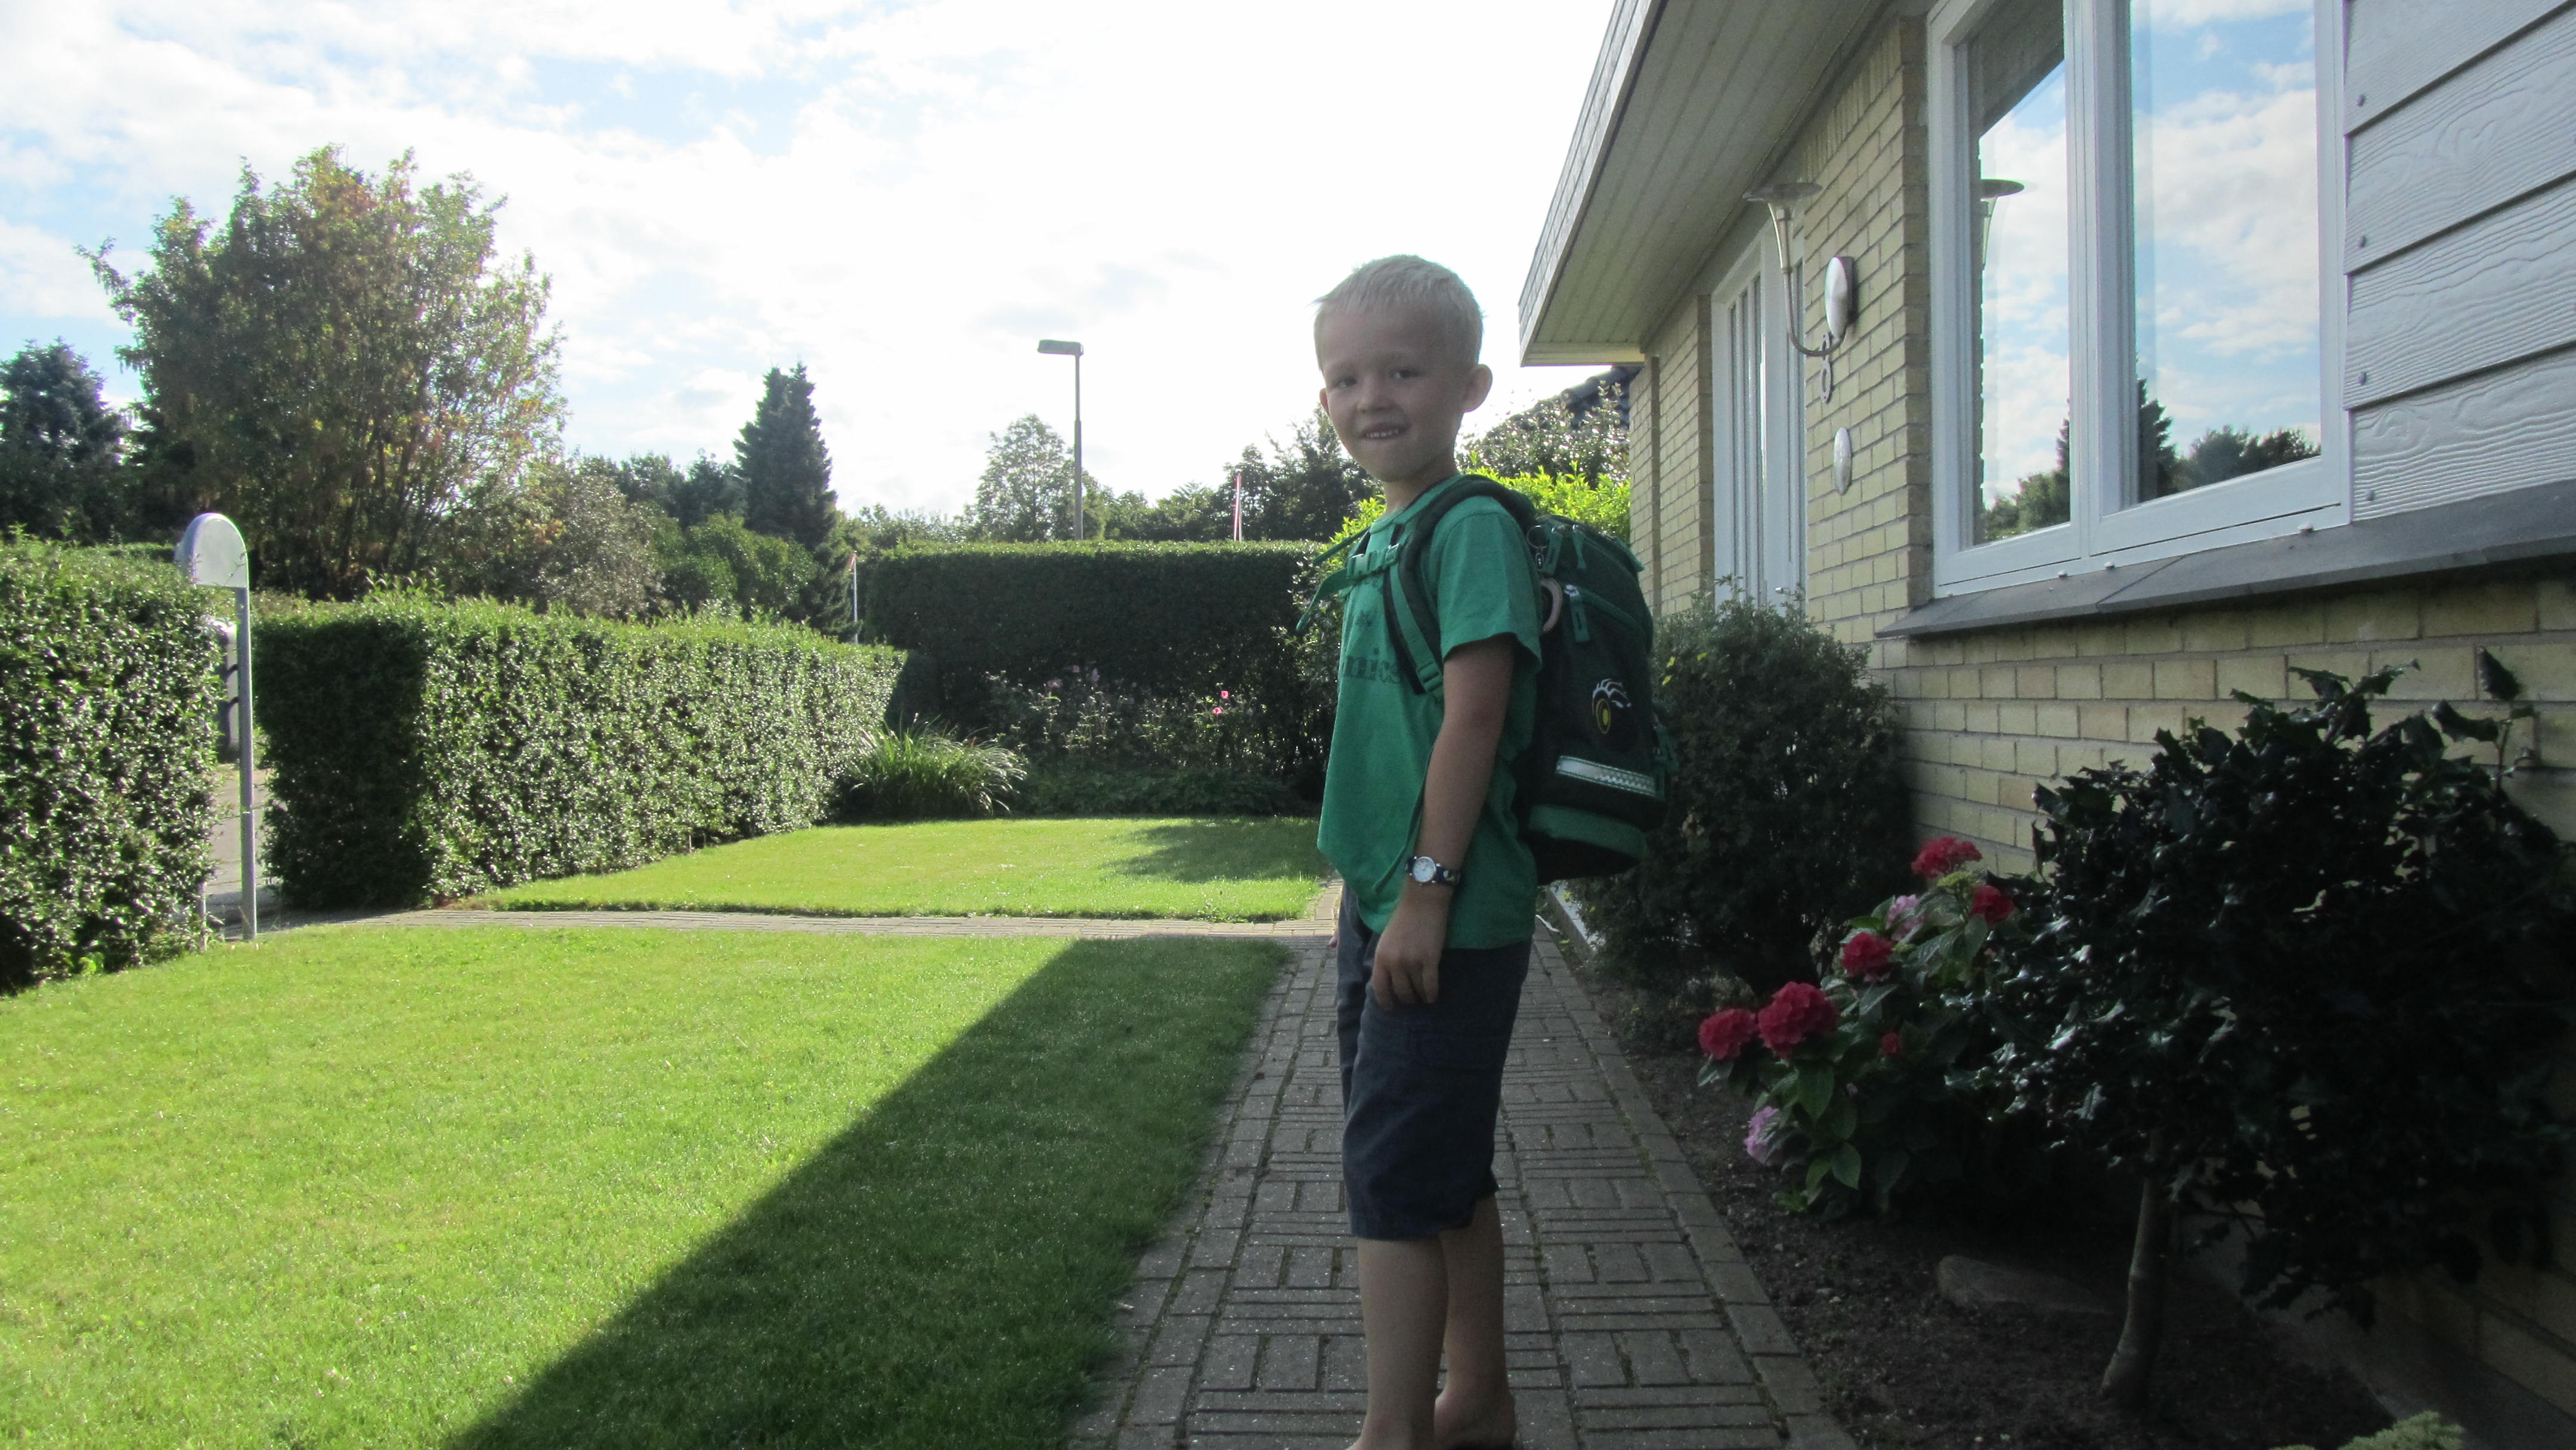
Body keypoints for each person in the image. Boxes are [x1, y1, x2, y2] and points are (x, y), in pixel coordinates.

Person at [1312, 255, 1542, 1450]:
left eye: (1403, 371)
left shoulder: (1470, 530)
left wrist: (1426, 893)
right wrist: (1383, 897)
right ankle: (1479, 1402)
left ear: (1469, 387)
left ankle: (1392, 1432)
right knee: (1440, 1167)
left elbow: (1477, 718)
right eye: (1347, 378)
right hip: (1386, 906)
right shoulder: (1390, 536)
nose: (1372, 398)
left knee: (1394, 1182)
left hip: (1441, 908)